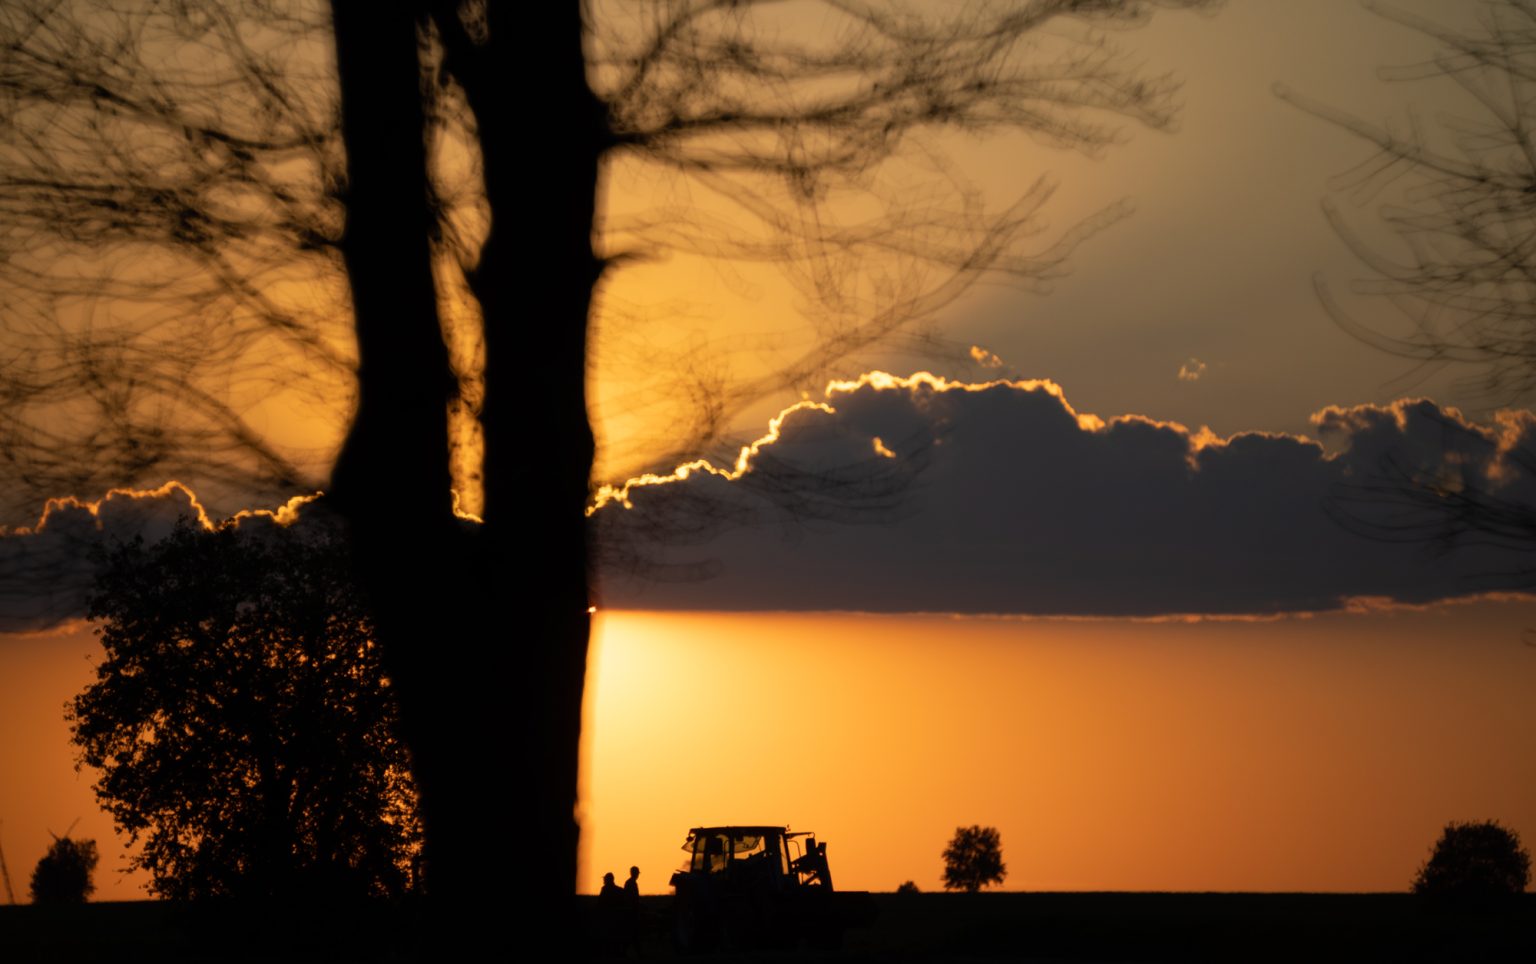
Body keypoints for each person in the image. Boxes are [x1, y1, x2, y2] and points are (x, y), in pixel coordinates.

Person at [623, 865, 642, 955]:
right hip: (632, 912)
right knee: (632, 933)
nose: (638, 875)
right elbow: (632, 898)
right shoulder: (631, 883)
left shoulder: (630, 882)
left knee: (632, 933)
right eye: (637, 873)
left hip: (631, 911)